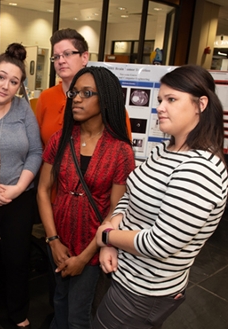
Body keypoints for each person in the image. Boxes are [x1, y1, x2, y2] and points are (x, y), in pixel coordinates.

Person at [94, 65, 228, 329]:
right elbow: (130, 196)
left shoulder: (200, 169)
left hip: (144, 290)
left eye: (172, 99)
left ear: (200, 104)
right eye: (159, 100)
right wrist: (111, 231)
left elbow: (160, 243)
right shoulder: (164, 150)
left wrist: (106, 236)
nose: (160, 107)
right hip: (126, 275)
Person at [37, 66, 135, 328]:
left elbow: (116, 209)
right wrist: (53, 240)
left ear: (106, 98)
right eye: (75, 93)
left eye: (86, 93)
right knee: (59, 302)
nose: (77, 98)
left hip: (92, 245)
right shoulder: (60, 139)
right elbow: (43, 190)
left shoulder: (120, 151)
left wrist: (85, 257)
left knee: (78, 314)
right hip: (58, 239)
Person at [0, 43, 42, 328]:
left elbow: (36, 152)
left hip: (18, 196)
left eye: (14, 81)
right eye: (1, 77)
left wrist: (17, 188)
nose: (6, 85)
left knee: (16, 259)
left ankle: (17, 313)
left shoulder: (23, 109)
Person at [35, 28, 131, 148]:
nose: (61, 61)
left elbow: (123, 149)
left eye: (67, 54)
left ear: (84, 57)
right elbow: (37, 147)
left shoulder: (105, 98)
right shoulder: (46, 97)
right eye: (56, 57)